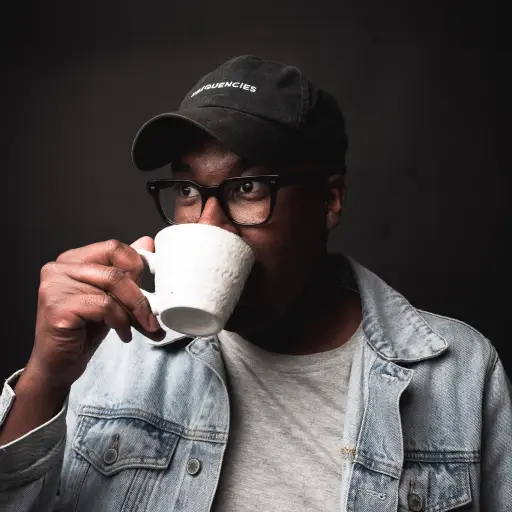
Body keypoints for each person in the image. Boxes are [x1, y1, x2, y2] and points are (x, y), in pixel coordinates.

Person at [0, 55, 510, 512]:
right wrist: (45, 380)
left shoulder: (459, 375)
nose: (209, 225)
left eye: (247, 187)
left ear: (329, 201)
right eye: (187, 190)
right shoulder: (112, 348)